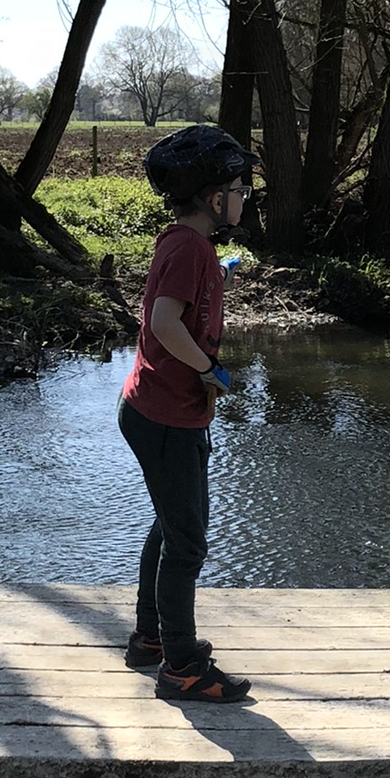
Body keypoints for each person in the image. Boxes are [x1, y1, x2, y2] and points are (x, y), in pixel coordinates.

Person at [122, 126, 256, 704]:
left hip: (162, 412)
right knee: (189, 542)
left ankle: (149, 638)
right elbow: (163, 324)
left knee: (170, 523)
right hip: (168, 418)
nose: (243, 195)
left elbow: (182, 301)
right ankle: (181, 665)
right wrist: (208, 368)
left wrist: (217, 273)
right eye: (236, 186)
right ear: (209, 196)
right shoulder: (184, 247)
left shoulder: (192, 247)